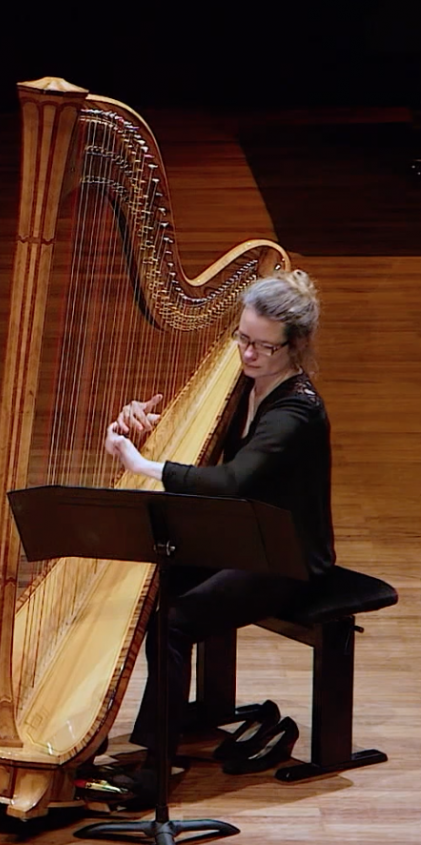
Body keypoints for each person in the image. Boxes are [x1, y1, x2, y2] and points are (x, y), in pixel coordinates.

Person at [102, 268, 334, 804]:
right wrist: (147, 428)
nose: (248, 354)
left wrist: (144, 465)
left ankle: (157, 771)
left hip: (288, 557)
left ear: (295, 347)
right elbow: (202, 455)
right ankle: (168, 724)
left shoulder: (296, 409)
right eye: (242, 338)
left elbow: (233, 480)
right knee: (151, 578)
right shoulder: (244, 385)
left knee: (176, 624)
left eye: (263, 346)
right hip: (243, 538)